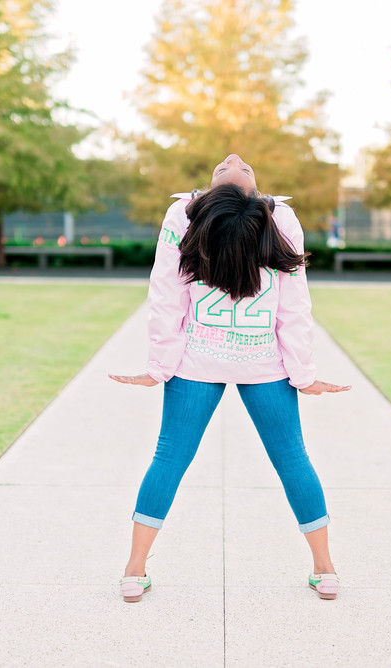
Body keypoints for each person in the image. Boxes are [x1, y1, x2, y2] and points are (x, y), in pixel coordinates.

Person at [109, 154, 350, 603]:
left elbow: (166, 294)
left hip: (199, 361)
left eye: (231, 167)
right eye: (227, 166)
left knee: (169, 458)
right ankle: (326, 570)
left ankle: (133, 570)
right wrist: (302, 372)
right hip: (263, 363)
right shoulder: (281, 217)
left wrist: (159, 366)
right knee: (292, 459)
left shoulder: (183, 213)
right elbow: (294, 304)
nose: (233, 157)